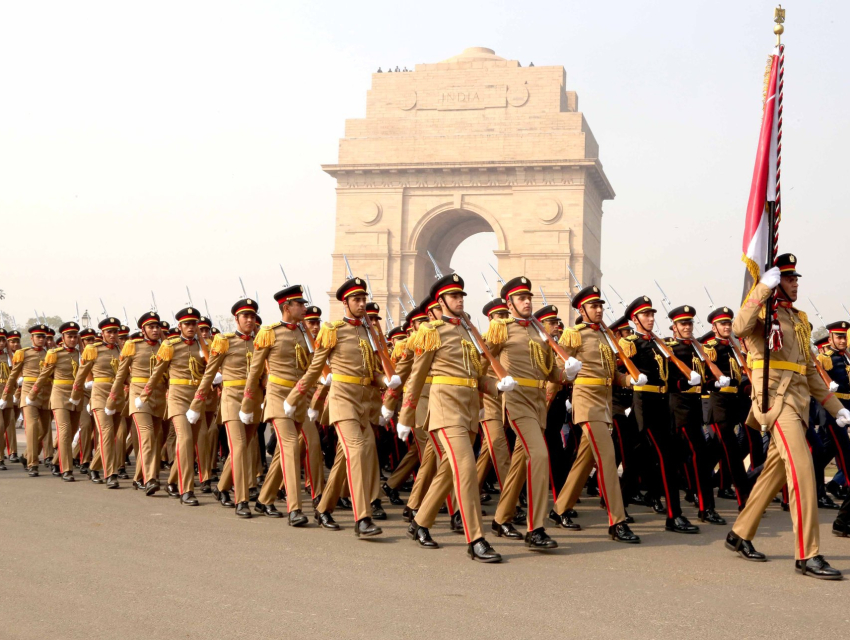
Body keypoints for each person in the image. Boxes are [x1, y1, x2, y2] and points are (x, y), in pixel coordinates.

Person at [726, 253, 848, 579]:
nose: (796, 283)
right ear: (777, 282)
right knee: (803, 470)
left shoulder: (798, 319)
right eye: (790, 278)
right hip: (776, 404)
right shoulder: (762, 316)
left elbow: (809, 371)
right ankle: (808, 554)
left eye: (796, 278)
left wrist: (838, 409)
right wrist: (761, 289)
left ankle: (740, 532)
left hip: (799, 405)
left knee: (775, 473)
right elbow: (738, 327)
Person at [400, 273, 511, 562]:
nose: (459, 299)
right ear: (440, 301)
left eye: (461, 295)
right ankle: (476, 539)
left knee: (449, 472)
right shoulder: (432, 331)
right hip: (445, 411)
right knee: (466, 469)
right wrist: (405, 415)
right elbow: (416, 377)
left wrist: (495, 386)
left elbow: (474, 378)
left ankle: (420, 522)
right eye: (453, 296)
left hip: (469, 411)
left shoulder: (469, 332)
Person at [287, 277, 391, 537]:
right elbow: (315, 368)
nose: (361, 303)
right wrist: (294, 397)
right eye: (356, 299)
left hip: (364, 404)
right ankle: (362, 518)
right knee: (357, 452)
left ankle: (323, 508)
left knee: (352, 457)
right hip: (343, 400)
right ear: (345, 302)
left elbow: (372, 372)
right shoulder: (333, 329)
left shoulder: (370, 331)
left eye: (364, 299)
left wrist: (385, 380)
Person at [550, 286, 640, 542]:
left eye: (600, 305)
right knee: (608, 457)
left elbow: (612, 376)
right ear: (582, 310)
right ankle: (617, 521)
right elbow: (560, 368)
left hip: (604, 402)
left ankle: (559, 509)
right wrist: (567, 374)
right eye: (593, 306)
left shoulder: (607, 336)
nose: (599, 310)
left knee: (585, 460)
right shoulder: (573, 335)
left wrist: (628, 380)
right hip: (586, 403)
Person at [620, 297, 700, 534]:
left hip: (663, 403)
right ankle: (673, 515)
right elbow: (619, 371)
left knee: (638, 460)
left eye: (652, 314)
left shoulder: (660, 344)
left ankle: (617, 503)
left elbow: (668, 377)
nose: (651, 318)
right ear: (635, 319)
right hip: (643, 403)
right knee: (665, 457)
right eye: (645, 315)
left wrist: (685, 382)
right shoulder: (630, 343)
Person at [188, 299, 262, 518]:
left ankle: (220, 488)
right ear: (236, 319)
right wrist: (197, 402)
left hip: (254, 399)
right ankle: (242, 499)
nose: (249, 320)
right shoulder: (224, 341)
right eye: (245, 316)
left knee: (245, 447)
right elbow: (209, 373)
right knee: (238, 448)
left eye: (252, 316)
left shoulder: (260, 341)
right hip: (232, 399)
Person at [137, 307, 207, 505]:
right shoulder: (170, 345)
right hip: (177, 399)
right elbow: (158, 373)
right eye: (187, 324)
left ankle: (172, 481)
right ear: (180, 326)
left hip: (196, 400)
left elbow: (211, 369)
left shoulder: (204, 346)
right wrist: (144, 394)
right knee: (184, 440)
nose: (191, 327)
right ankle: (187, 490)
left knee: (191, 443)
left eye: (194, 324)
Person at [666, 305, 725, 525]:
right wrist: (681, 382)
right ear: (674, 327)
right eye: (683, 323)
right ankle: (706, 508)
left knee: (684, 458)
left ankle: (693, 495)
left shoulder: (699, 349)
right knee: (698, 456)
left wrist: (714, 383)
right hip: (678, 408)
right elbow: (665, 378)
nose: (688, 327)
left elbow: (702, 378)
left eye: (690, 323)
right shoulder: (669, 349)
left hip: (694, 406)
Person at [105, 312, 166, 495]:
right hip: (139, 397)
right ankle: (151, 479)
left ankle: (138, 477)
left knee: (154, 440)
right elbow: (121, 374)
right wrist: (112, 398)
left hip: (159, 396)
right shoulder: (133, 346)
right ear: (143, 330)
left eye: (157, 327)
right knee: (146, 437)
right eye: (151, 327)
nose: (155, 330)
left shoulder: (165, 347)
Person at [69, 317, 124, 488]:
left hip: (118, 397)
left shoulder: (122, 349)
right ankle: (111, 473)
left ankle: (93, 467)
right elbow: (81, 373)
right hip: (100, 396)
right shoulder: (93, 350)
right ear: (102, 333)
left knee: (111, 435)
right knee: (106, 433)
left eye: (115, 332)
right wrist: (76, 395)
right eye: (109, 332)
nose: (113, 335)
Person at [27, 321, 82, 481]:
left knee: (71, 433)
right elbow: (44, 375)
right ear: (63, 337)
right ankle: (67, 469)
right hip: (59, 395)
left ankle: (57, 461)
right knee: (64, 431)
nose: (72, 339)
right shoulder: (55, 354)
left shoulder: (82, 354)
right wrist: (32, 394)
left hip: (76, 396)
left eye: (74, 337)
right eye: (69, 336)